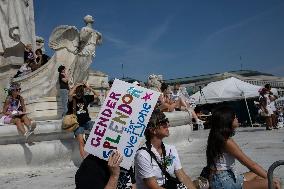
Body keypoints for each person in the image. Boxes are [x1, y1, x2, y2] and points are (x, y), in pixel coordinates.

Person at [206, 106, 281, 189]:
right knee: (273, 184)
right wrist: (272, 179)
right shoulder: (226, 141)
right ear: (227, 121)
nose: (237, 119)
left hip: (219, 179)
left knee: (257, 175)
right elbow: (251, 164)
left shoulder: (217, 137)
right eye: (234, 117)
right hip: (224, 182)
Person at [134, 109, 196, 189]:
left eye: (167, 121)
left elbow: (182, 176)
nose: (167, 125)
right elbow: (154, 187)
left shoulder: (171, 149)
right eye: (163, 123)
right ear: (153, 130)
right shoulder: (142, 155)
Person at [68, 82, 99, 158]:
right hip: (78, 124)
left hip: (87, 121)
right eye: (78, 91)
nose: (79, 93)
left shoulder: (85, 98)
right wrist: (75, 86)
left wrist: (88, 87)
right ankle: (84, 160)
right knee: (81, 143)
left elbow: (97, 95)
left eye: (81, 91)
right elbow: (69, 95)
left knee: (98, 131)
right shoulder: (73, 99)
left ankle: (96, 152)